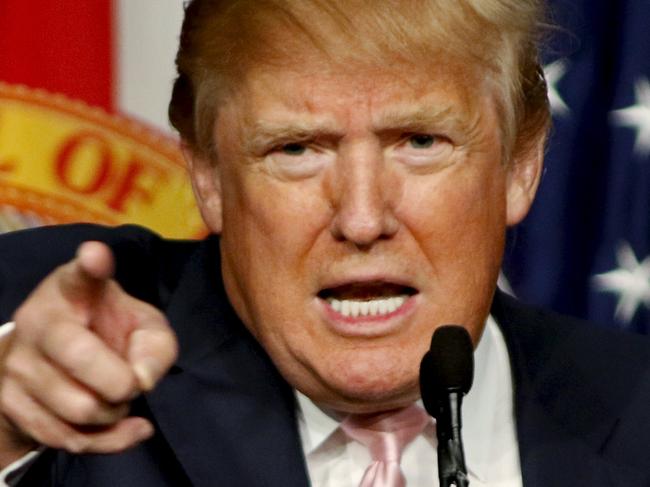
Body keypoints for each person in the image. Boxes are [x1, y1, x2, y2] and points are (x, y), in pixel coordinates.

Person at [0, 0, 648, 485]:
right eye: (296, 148)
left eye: (420, 141)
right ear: (208, 174)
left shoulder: (636, 409)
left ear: (520, 164)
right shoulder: (67, 335)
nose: (363, 219)